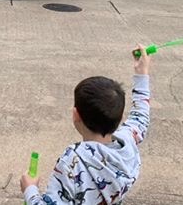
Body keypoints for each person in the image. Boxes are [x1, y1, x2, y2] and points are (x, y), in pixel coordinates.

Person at [21, 46, 151, 205]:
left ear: (75, 114)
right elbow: (140, 115)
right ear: (120, 116)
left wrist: (30, 189)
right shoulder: (128, 143)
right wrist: (142, 73)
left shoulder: (73, 161)